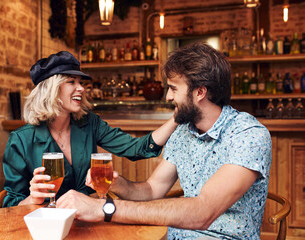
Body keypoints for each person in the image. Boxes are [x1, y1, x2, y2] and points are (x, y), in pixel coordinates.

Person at [56, 43, 272, 239]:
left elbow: (203, 212)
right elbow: (151, 190)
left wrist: (104, 208)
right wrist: (117, 183)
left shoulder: (248, 135)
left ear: (200, 92)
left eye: (174, 88)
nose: (168, 97)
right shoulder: (182, 132)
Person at [2, 51, 177, 207]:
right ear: (51, 90)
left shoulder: (89, 123)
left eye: (80, 82)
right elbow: (10, 204)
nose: (81, 88)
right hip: (47, 224)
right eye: (71, 82)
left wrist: (176, 118)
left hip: (87, 218)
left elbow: (136, 148)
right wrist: (33, 199)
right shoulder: (21, 140)